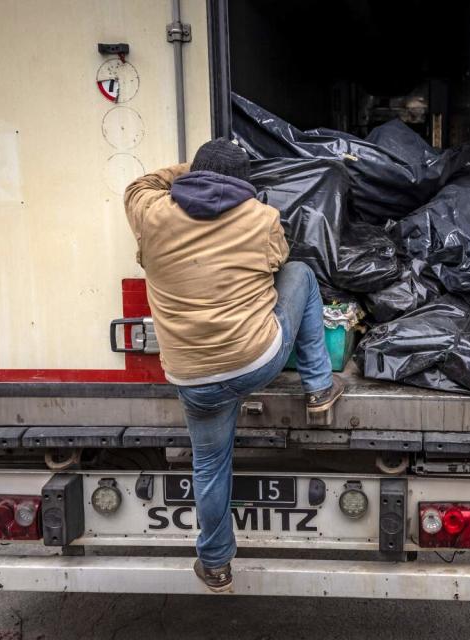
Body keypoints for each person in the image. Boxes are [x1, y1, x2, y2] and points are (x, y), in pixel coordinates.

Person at [124, 139, 344, 592]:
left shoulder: (152, 214)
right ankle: (320, 385)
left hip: (192, 376)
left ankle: (217, 564)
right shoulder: (261, 219)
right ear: (243, 184)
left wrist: (189, 170)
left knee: (208, 465)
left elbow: (139, 184)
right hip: (253, 361)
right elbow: (278, 262)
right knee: (300, 274)